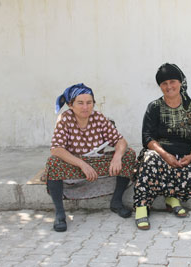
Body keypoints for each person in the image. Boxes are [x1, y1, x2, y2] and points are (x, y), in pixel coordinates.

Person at [44, 83, 136, 232]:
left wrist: (117, 157)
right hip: (75, 165)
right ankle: (60, 213)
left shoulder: (98, 117)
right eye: (80, 103)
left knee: (128, 154)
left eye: (89, 102)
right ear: (70, 105)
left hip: (96, 163)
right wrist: (82, 164)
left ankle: (116, 202)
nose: (85, 107)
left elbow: (120, 141)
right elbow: (56, 149)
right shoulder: (65, 119)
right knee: (53, 162)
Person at [134, 63, 191, 230]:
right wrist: (165, 155)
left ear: (180, 82)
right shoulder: (154, 107)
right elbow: (147, 137)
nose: (169, 86)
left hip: (186, 156)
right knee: (149, 160)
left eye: (172, 81)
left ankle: (172, 197)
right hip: (161, 155)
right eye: (164, 83)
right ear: (160, 86)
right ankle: (141, 207)